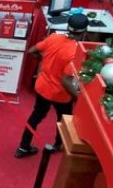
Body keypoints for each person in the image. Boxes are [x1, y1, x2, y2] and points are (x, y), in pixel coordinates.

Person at [14, 14, 88, 158]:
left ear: (68, 27)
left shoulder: (54, 37)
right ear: (85, 31)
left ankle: (23, 147)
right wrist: (78, 97)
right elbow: (66, 81)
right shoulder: (75, 52)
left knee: (36, 116)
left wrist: (43, 58)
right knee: (63, 119)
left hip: (42, 87)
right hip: (60, 94)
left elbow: (32, 50)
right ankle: (58, 144)